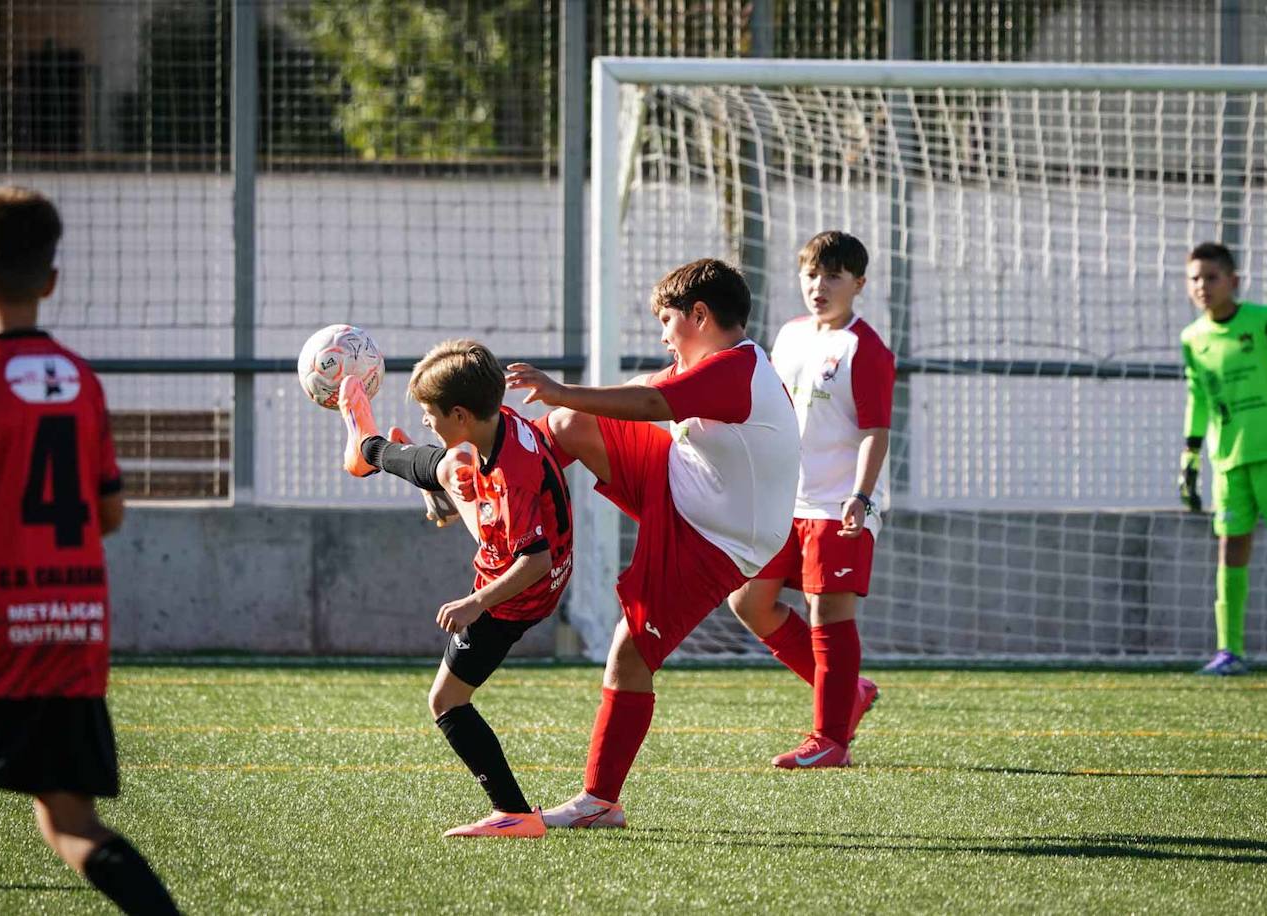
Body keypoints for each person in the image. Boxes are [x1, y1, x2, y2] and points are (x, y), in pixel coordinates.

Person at [0, 187, 180, 913]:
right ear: (51, 282)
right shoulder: (81, 383)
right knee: (70, 822)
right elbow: (108, 512)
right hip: (70, 626)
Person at [505, 258, 800, 828]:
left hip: (717, 540)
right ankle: (500, 487)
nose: (664, 336)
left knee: (630, 653)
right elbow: (644, 390)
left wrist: (558, 387)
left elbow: (647, 405)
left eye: (667, 321)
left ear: (699, 314)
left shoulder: (734, 372)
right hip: (684, 486)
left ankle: (599, 802)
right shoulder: (722, 364)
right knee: (568, 425)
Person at [338, 338, 574, 837]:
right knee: (451, 470)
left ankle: (514, 813)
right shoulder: (503, 422)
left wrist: (475, 603)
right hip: (528, 561)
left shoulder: (513, 479)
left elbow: (534, 561)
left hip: (518, 593)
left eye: (431, 413)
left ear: (462, 414)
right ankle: (384, 455)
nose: (428, 419)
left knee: (446, 702)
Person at [727, 231, 891, 768]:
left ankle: (830, 740)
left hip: (838, 504)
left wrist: (861, 497)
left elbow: (875, 431)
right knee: (748, 601)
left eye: (833, 276)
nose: (818, 286)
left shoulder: (863, 348)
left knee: (827, 614)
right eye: (810, 274)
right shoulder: (790, 335)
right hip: (783, 500)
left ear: (859, 284)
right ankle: (851, 693)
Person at [1178, 241, 1267, 676]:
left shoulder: (1263, 322)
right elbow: (1198, 398)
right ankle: (1229, 651)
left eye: (1212, 277)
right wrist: (1191, 455)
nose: (1203, 286)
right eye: (1195, 278)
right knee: (1231, 549)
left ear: (1233, 281)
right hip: (1229, 462)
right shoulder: (1193, 338)